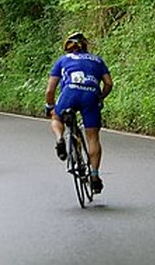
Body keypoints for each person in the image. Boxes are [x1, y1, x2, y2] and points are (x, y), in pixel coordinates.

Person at [45, 32, 112, 194]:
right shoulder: (97, 60)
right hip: (91, 95)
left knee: (56, 117)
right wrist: (100, 97)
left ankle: (60, 139)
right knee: (93, 137)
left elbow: (50, 89)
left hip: (70, 93)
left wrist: (49, 106)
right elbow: (109, 83)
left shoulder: (63, 60)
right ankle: (95, 176)